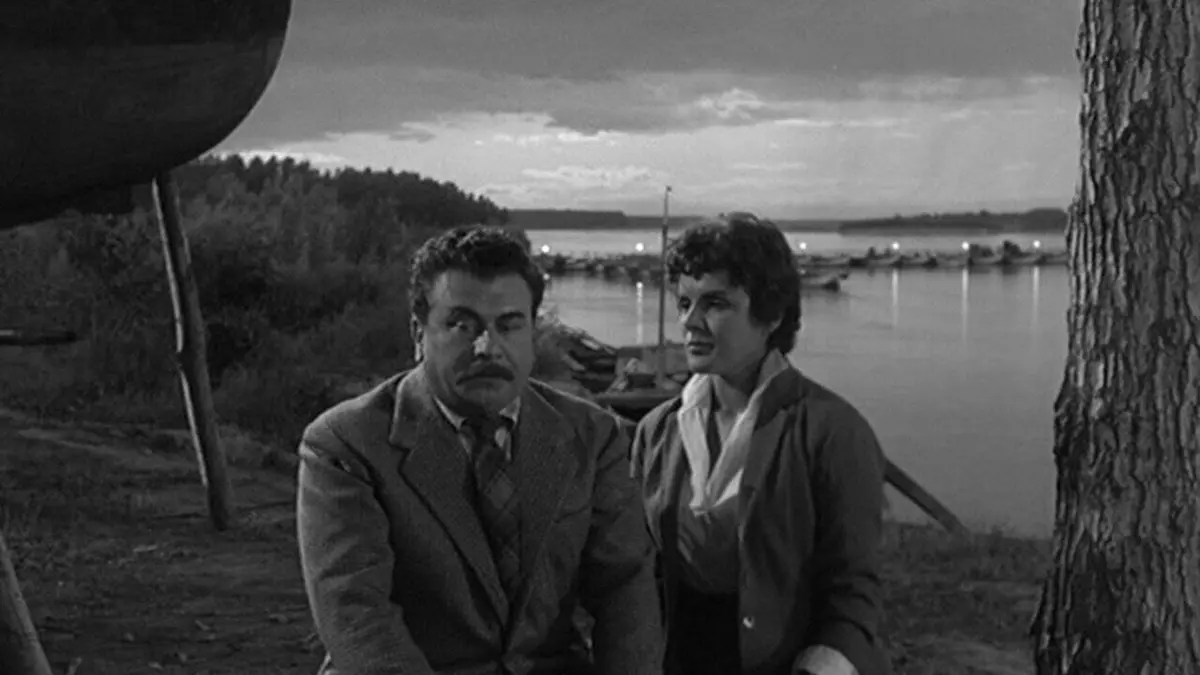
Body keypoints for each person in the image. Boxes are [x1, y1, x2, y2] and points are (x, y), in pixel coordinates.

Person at [297, 226, 664, 675]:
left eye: (508, 325)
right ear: (418, 333)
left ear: (532, 332)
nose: (487, 347)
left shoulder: (591, 434)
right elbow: (359, 617)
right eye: (461, 325)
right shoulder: (346, 444)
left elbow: (625, 587)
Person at [629, 214, 891, 675]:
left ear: (771, 314)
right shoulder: (658, 431)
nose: (689, 321)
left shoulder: (832, 432)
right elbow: (637, 569)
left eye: (715, 304)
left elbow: (855, 588)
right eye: (684, 302)